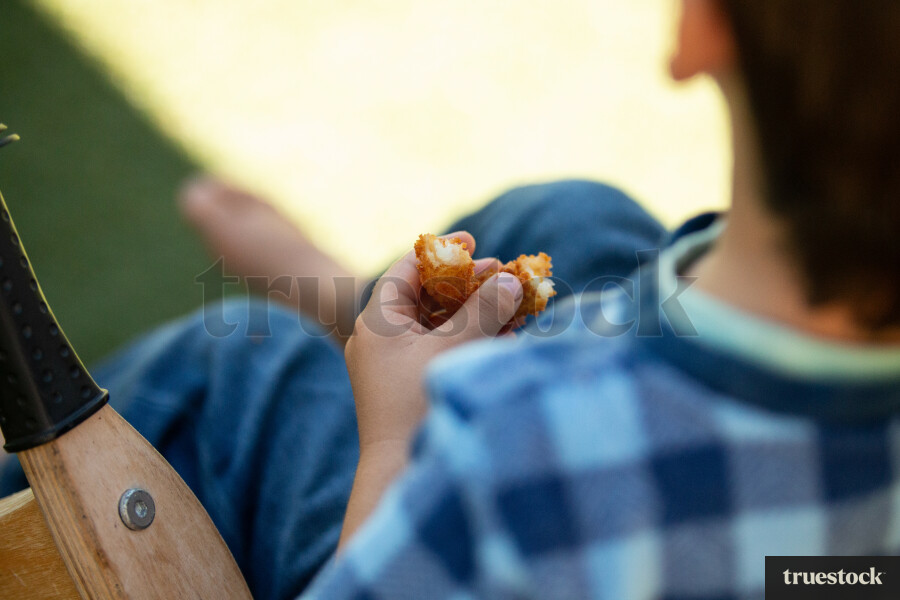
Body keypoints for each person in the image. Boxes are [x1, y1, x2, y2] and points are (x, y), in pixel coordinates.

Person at [4, 0, 900, 598]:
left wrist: (395, 440)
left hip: (483, 543)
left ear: (702, 32)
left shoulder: (510, 452)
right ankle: (365, 306)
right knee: (577, 215)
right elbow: (826, 570)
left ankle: (351, 326)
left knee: (246, 361)